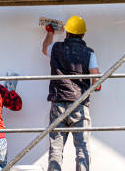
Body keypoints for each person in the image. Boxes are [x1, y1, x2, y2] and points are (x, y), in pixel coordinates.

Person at [42, 16, 100, 171]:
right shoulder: (89, 53)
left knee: (56, 149)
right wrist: (96, 85)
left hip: (58, 104)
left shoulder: (56, 48)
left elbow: (44, 48)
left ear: (67, 32)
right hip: (79, 106)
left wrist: (50, 32)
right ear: (83, 34)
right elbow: (96, 78)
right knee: (82, 149)